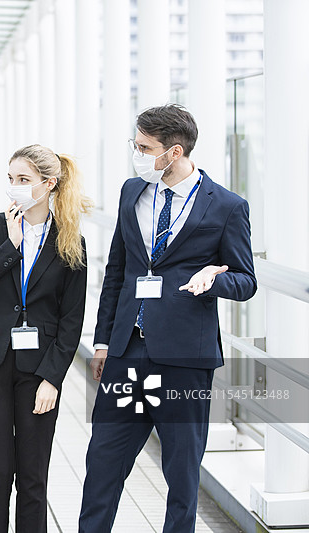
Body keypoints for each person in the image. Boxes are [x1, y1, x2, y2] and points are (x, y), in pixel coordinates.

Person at [78, 104, 256, 533]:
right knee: (102, 464)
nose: (136, 155)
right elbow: (118, 271)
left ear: (174, 152)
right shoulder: (132, 191)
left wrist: (213, 280)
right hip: (127, 353)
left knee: (181, 474)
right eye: (135, 145)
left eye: (144, 147)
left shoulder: (227, 207)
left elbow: (246, 281)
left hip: (183, 360)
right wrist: (103, 341)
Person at [0, 144, 91, 532]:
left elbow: (71, 320)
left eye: (24, 180)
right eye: (11, 179)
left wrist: (53, 378)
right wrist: (10, 246)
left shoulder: (70, 240)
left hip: (38, 371)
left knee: (33, 478)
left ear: (48, 184)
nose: (14, 188)